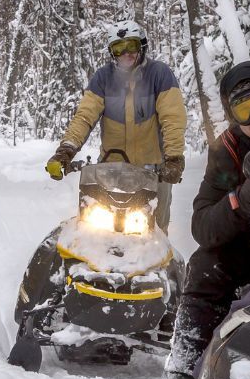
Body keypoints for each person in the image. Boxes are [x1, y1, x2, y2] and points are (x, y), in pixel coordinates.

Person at [133, 61, 250, 379]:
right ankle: (184, 374)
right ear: (233, 117)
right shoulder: (228, 150)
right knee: (205, 264)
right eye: (245, 110)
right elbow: (203, 225)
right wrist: (243, 199)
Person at [45, 21, 187, 229]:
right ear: (112, 53)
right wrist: (65, 152)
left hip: (154, 173)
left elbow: (172, 118)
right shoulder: (103, 78)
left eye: (132, 46)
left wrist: (173, 159)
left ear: (142, 46)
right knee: (92, 229)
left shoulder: (159, 74)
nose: (126, 53)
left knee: (155, 232)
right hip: (110, 173)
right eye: (119, 49)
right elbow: (84, 117)